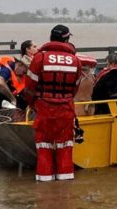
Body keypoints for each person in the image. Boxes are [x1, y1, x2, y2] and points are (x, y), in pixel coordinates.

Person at [24, 24, 82, 182]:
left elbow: (29, 88)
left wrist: (33, 104)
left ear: (51, 38)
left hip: (44, 109)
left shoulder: (40, 58)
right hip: (66, 110)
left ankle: (45, 189)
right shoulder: (76, 61)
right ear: (67, 39)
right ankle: (64, 189)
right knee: (65, 149)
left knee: (44, 148)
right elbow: (75, 89)